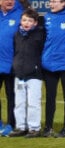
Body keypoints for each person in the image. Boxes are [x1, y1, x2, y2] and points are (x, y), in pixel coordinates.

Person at [40, 0, 65, 137]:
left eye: (55, 2)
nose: (51, 4)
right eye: (50, 2)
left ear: (63, 3)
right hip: (49, 64)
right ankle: (48, 127)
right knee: (50, 97)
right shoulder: (46, 18)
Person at [10, 8, 46, 137]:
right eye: (24, 20)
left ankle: (34, 128)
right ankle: (20, 127)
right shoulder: (17, 35)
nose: (26, 23)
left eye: (30, 21)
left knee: (33, 102)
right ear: (20, 21)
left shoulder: (40, 34)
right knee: (19, 102)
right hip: (19, 74)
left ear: (35, 23)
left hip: (34, 74)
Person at [0, 0, 23, 135]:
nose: (10, 1)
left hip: (12, 64)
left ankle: (11, 124)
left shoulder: (20, 15)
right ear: (0, 0)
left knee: (12, 97)